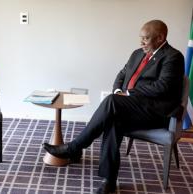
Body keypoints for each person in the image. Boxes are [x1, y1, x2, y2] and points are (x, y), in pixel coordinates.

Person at [43, 20, 184, 194]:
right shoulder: (137, 54)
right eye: (141, 38)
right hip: (129, 107)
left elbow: (163, 86)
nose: (141, 43)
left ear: (160, 37)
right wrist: (118, 90)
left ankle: (75, 148)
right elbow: (122, 74)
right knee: (113, 120)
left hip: (154, 112)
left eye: (145, 39)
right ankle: (109, 180)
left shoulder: (173, 57)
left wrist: (129, 94)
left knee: (112, 102)